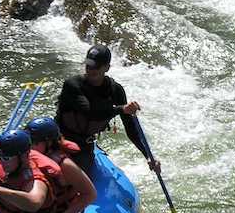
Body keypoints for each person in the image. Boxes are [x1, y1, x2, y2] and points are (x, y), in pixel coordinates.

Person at [55, 43, 161, 175]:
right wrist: (121, 109)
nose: (90, 70)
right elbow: (89, 113)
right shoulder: (73, 84)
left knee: (76, 180)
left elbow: (130, 127)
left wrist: (148, 155)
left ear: (107, 68)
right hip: (60, 139)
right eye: (88, 65)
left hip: (83, 145)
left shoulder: (115, 90)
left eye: (96, 66)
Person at [24, 116, 97, 213]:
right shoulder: (29, 157)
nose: (29, 146)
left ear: (48, 143)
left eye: (34, 142)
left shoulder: (65, 165)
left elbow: (90, 193)